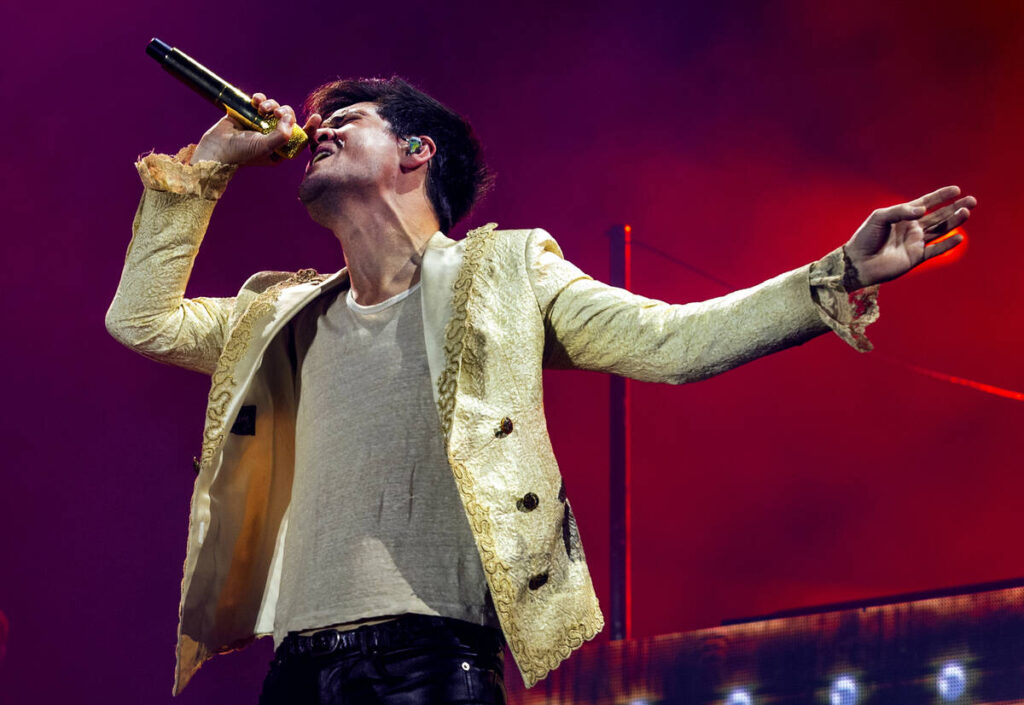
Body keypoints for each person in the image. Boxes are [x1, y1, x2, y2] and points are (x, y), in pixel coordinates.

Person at [106, 77, 975, 703]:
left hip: (430, 660)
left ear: (417, 151)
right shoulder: (278, 312)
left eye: (349, 118)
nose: (318, 129)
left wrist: (837, 272)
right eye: (319, 122)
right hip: (296, 667)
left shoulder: (506, 271)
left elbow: (672, 341)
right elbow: (139, 320)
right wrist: (212, 159)